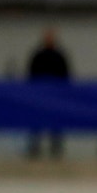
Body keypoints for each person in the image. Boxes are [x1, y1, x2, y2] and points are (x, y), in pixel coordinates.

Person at [27, 28, 72, 159]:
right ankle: (34, 147)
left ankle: (56, 147)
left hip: (56, 96)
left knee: (56, 123)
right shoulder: (38, 56)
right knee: (36, 122)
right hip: (39, 96)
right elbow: (31, 75)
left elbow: (66, 76)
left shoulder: (59, 56)